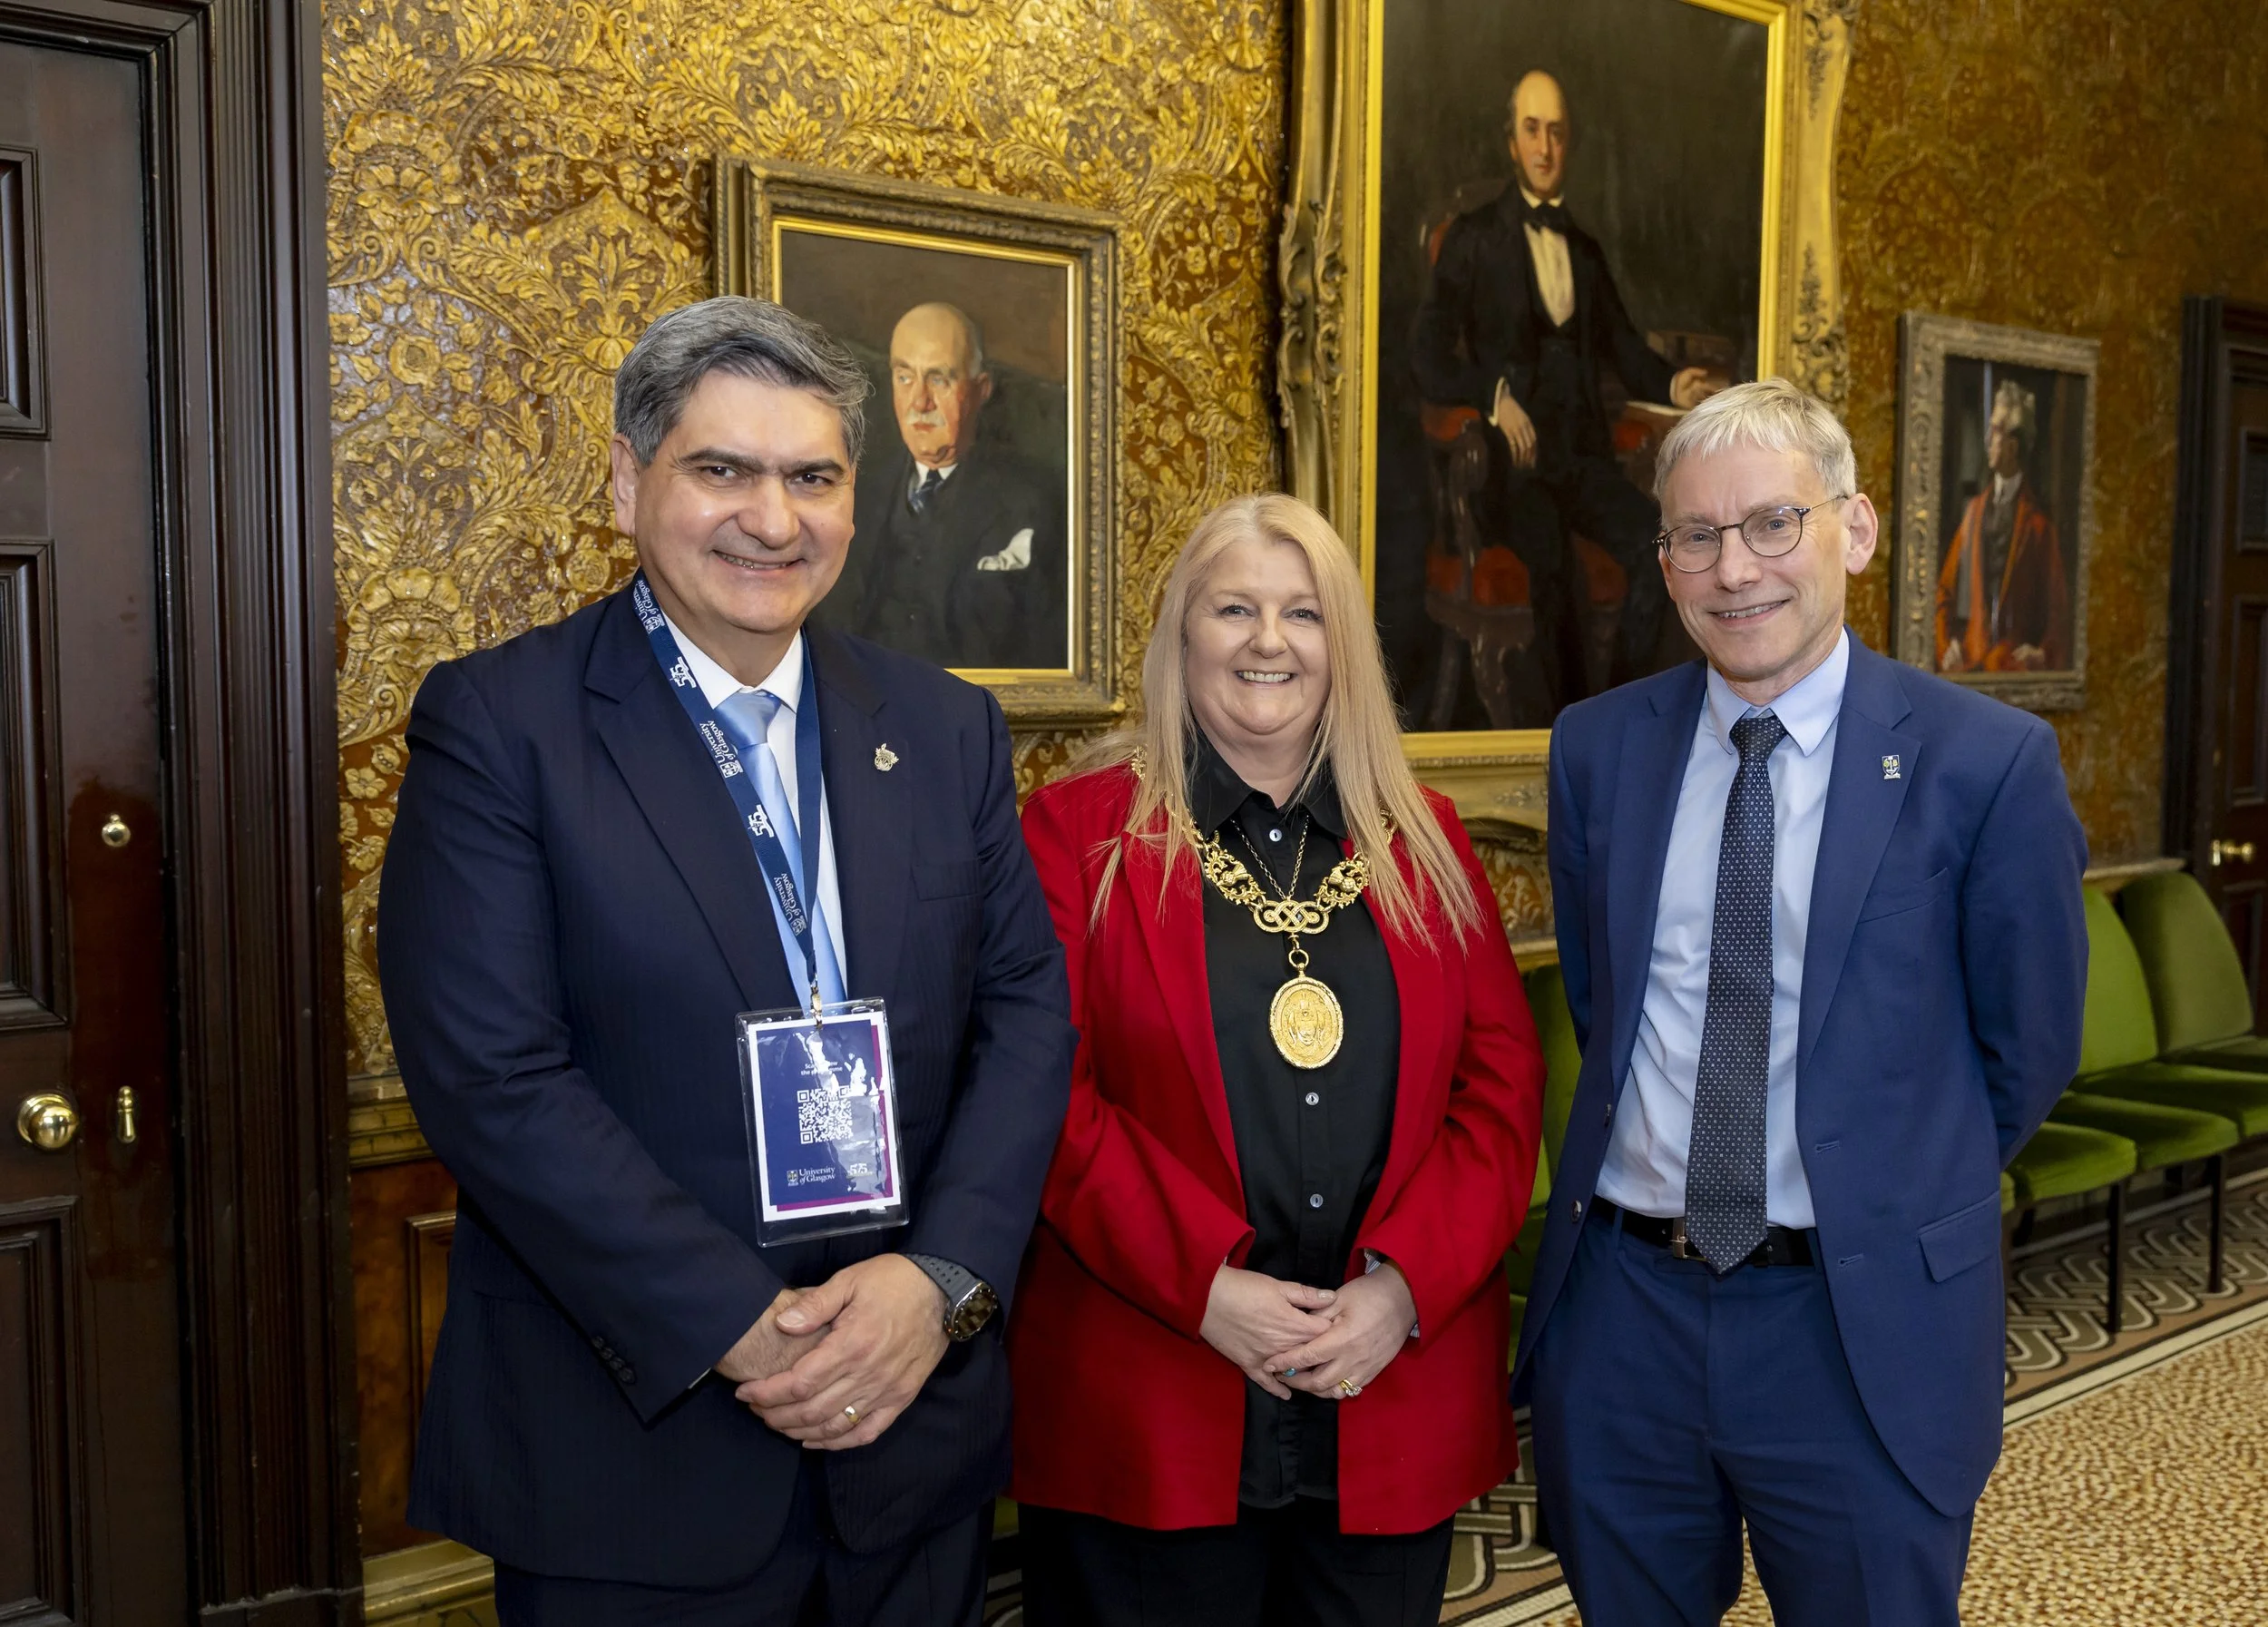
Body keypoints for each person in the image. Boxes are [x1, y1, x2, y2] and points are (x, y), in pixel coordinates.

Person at [376, 295, 1076, 1624]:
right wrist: (743, 1324)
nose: (773, 516)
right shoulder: (500, 725)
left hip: (908, 1445)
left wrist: (939, 1283)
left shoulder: (943, 731)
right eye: (723, 470)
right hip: (633, 1459)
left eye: (811, 475)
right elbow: (491, 1077)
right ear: (631, 481)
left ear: (854, 500)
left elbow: (1028, 1013)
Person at [1513, 379, 2087, 1624]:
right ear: (1663, 561)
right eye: (1697, 536)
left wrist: (1889, 1182)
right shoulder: (1596, 749)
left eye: (1775, 523)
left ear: (1857, 530)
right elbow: (1612, 1010)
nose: (1737, 569)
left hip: (1856, 1322)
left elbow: (2025, 1049)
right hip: (1626, 1313)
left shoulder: (1983, 764)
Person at [1011, 494, 1546, 1627]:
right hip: (1151, 1388)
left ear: (1341, 646)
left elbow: (1499, 1096)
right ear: (1179, 635)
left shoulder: (1430, 840)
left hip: (1387, 1390)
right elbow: (1044, 1100)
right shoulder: (1074, 835)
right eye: (1234, 608)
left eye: (1303, 612)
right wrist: (1206, 1288)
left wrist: (1400, 1293)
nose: (1268, 640)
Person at [1411, 68, 1724, 705]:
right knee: (1555, 567)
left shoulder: (1582, 248)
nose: (1545, 147)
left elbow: (1625, 347)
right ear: (1511, 141)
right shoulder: (1474, 238)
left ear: (1568, 142)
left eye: (1556, 133)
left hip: (1581, 457)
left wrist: (1674, 384)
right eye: (1532, 131)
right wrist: (1493, 396)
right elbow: (1425, 354)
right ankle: (1574, 729)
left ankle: (1621, 710)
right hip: (1514, 468)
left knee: (1657, 546)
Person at [843, 300, 1067, 670]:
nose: (920, 401)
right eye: (904, 377)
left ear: (981, 389)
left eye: (939, 379)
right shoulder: (857, 492)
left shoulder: (1033, 501)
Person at [1935, 377, 2069, 672]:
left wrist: (2042, 654)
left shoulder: (2038, 525)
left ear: (2013, 445)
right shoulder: (1974, 512)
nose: (1988, 438)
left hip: (2012, 671)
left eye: (1995, 430)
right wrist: (1947, 646)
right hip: (1971, 669)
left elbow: (2058, 611)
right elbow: (1945, 592)